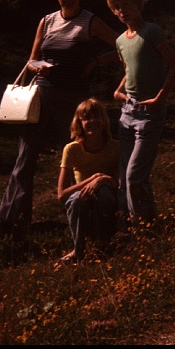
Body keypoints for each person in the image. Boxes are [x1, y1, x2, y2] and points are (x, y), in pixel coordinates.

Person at [0, 0, 118, 242]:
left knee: (84, 153)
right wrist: (39, 67)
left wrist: (96, 63)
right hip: (41, 96)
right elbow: (31, 59)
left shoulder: (90, 22)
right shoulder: (46, 21)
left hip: (73, 100)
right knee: (24, 159)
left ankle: (92, 214)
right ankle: (10, 221)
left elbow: (121, 44)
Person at [106, 0, 175, 231]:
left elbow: (174, 65)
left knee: (134, 177)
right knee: (127, 180)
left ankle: (141, 234)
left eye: (126, 4)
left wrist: (161, 98)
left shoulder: (151, 32)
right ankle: (146, 227)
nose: (122, 11)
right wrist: (118, 91)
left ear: (139, 3)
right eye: (116, 7)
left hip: (150, 112)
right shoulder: (120, 41)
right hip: (128, 112)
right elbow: (129, 70)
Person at [57, 97, 119, 263]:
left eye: (96, 117)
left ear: (103, 120)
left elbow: (121, 183)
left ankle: (104, 245)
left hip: (108, 192)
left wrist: (102, 180)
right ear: (79, 123)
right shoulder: (72, 149)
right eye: (86, 118)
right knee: (77, 200)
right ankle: (79, 250)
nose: (92, 121)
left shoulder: (115, 147)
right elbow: (62, 195)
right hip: (82, 194)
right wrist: (94, 178)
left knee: (104, 193)